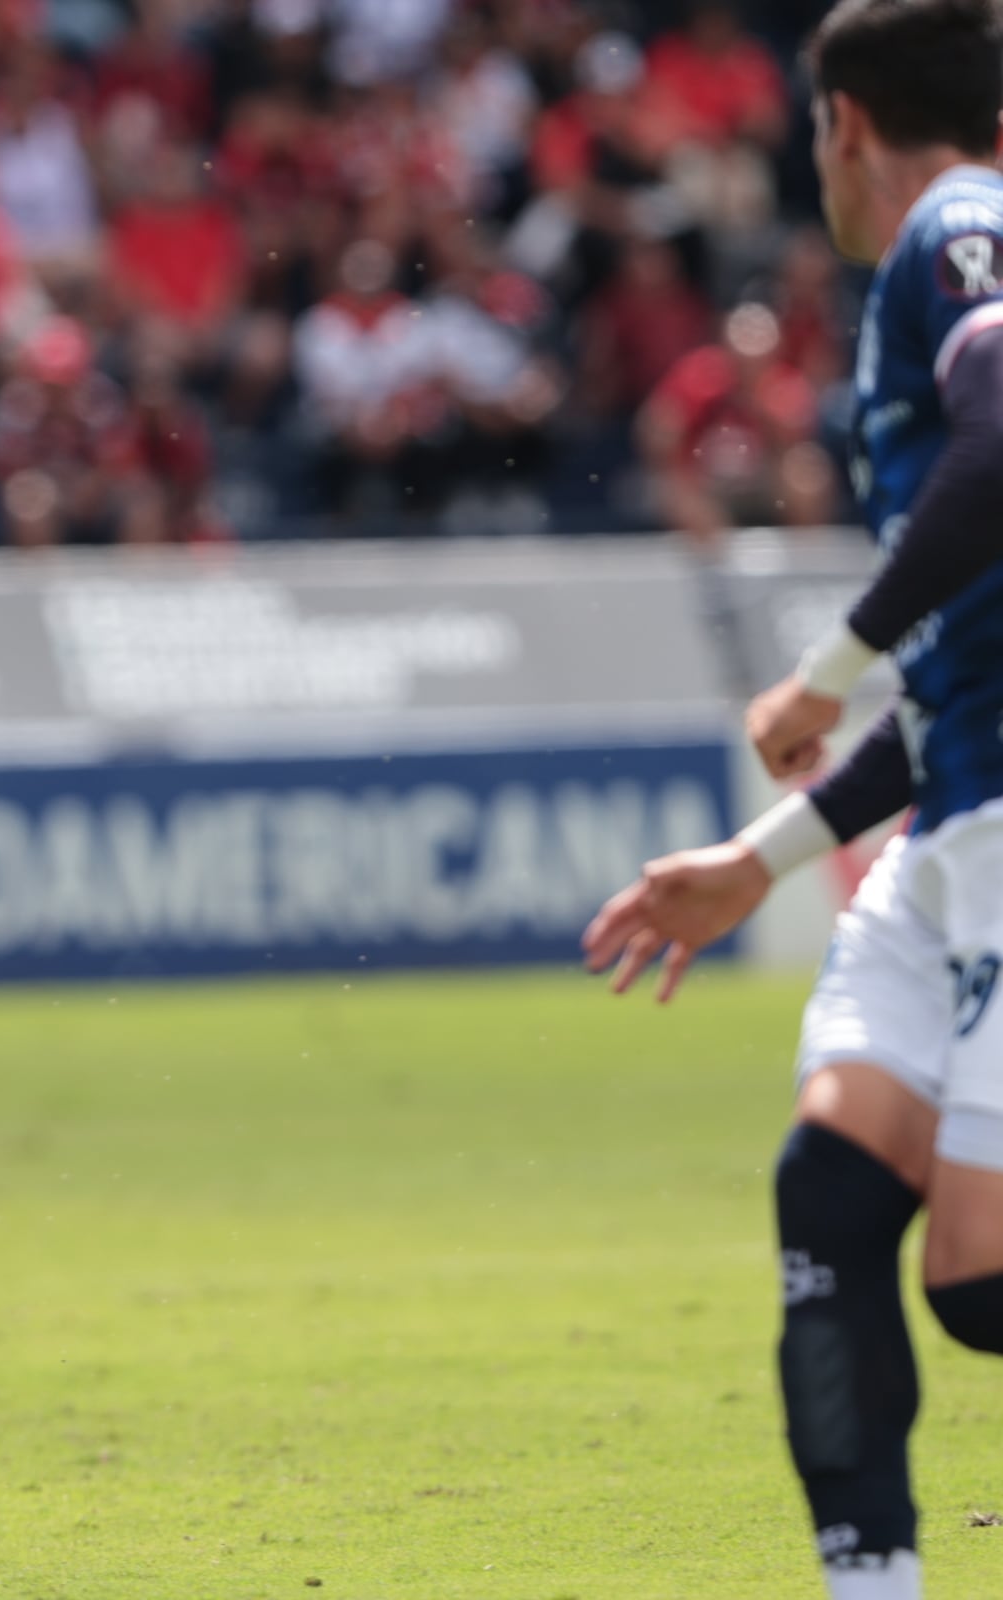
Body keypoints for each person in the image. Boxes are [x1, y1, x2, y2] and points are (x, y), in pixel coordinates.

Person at [583, 6, 1003, 1596]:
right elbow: (960, 676)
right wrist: (761, 860)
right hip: (953, 822)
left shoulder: (956, 229)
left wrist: (827, 670)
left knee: (979, 1279)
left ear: (840, 124)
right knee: (829, 1185)